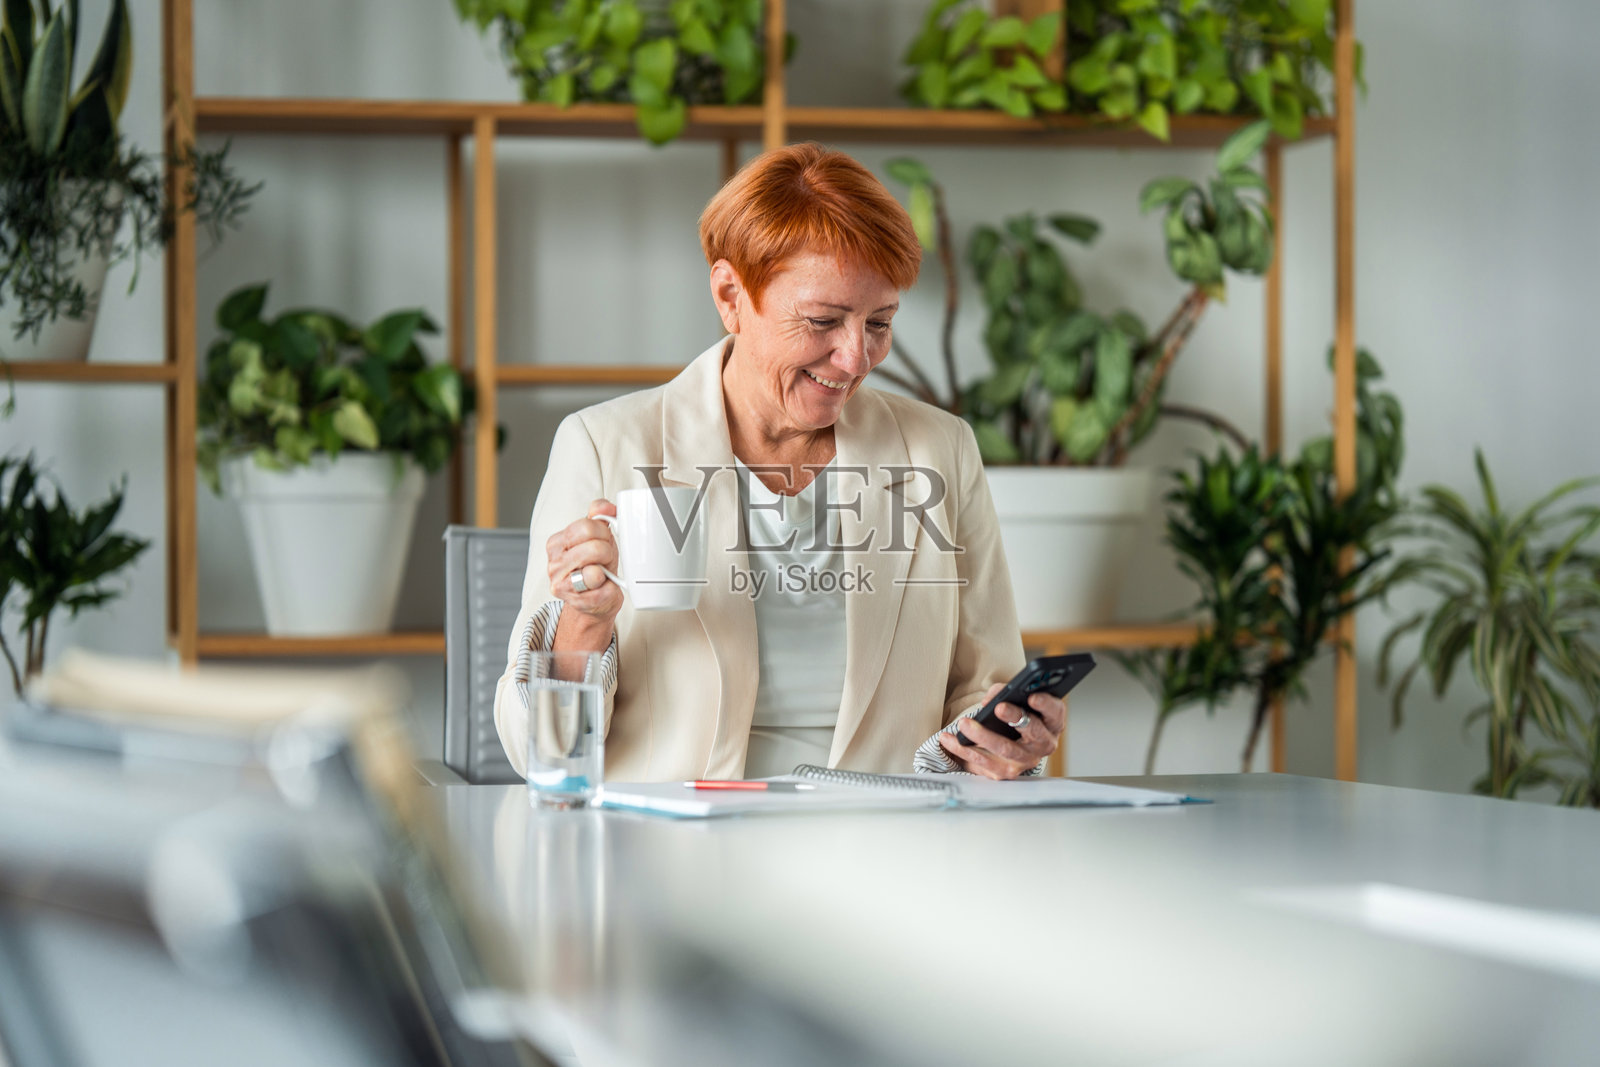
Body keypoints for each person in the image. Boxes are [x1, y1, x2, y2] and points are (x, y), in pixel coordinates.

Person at [494, 143, 1065, 782]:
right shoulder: (605, 445)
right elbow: (534, 754)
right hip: (673, 854)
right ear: (731, 294)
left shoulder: (939, 449)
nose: (856, 358)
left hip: (891, 847)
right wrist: (582, 627)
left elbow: (981, 687)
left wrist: (1006, 740)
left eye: (879, 322)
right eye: (823, 320)